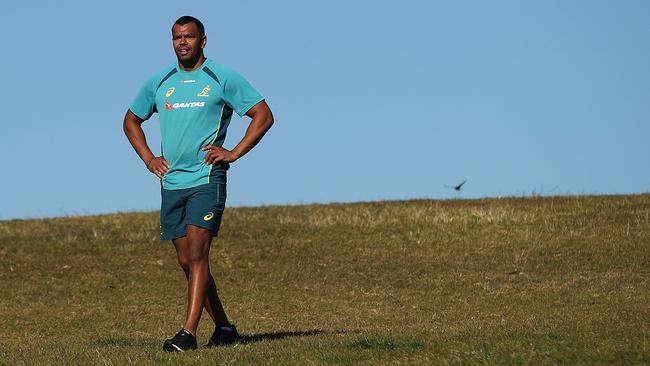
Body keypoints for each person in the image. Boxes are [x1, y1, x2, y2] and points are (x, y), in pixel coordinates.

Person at [123, 15, 274, 352]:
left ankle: (188, 333)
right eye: (177, 37)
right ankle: (224, 327)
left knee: (197, 253)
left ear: (203, 41)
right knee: (185, 262)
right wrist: (149, 158)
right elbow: (131, 120)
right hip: (171, 181)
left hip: (207, 178)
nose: (183, 42)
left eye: (190, 36)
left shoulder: (221, 77)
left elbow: (263, 115)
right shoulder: (159, 82)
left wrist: (233, 152)